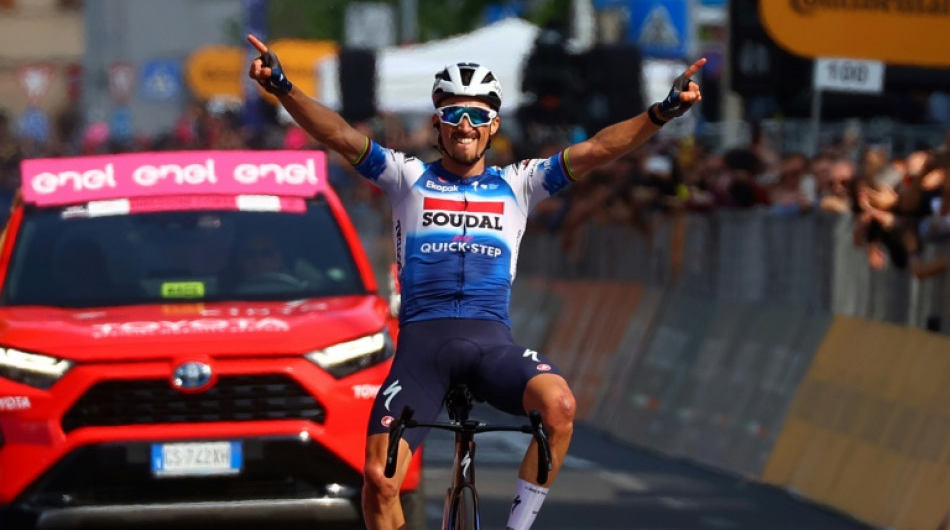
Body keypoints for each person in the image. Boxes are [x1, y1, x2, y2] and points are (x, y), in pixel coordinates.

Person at [248, 34, 704, 530]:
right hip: (422, 353)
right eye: (453, 115)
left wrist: (661, 112)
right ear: (437, 125)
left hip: (491, 347)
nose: (465, 125)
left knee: (559, 406)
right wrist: (284, 88)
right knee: (379, 480)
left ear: (494, 126)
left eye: (477, 115)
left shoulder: (520, 183)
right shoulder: (405, 177)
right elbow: (338, 133)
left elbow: (598, 149)